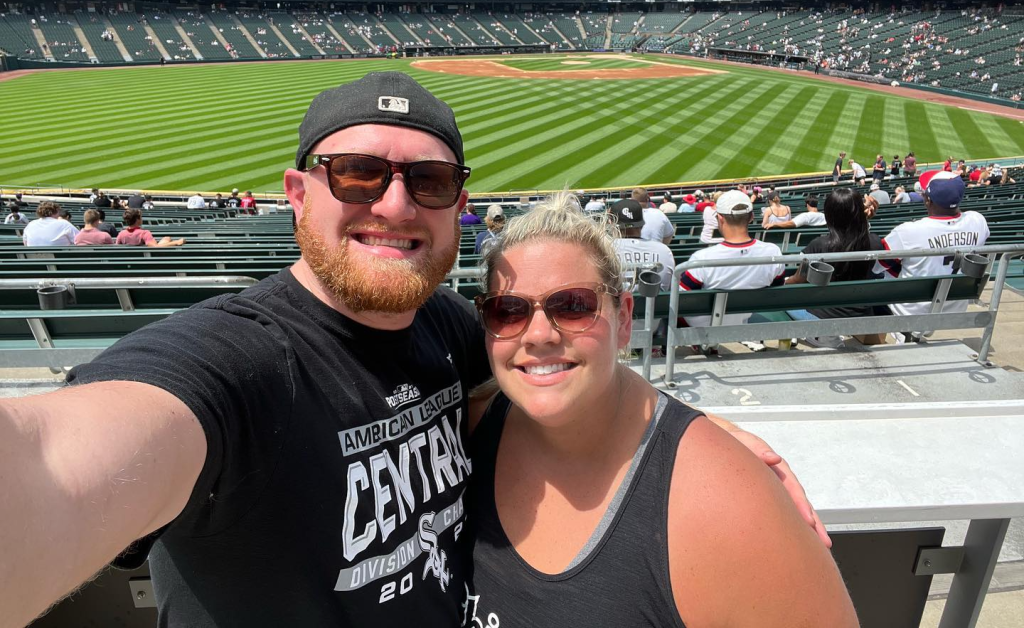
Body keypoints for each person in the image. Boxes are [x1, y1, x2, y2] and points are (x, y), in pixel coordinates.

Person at [0, 73, 817, 627]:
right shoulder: (235, 362)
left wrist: (681, 430)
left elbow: (556, 357)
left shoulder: (450, 328)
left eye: (427, 181)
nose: (393, 204)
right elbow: (52, 462)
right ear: (296, 194)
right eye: (356, 174)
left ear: (456, 204)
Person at [466, 194, 857, 628]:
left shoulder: (730, 505)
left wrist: (702, 441)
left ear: (624, 317)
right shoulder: (466, 428)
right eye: (507, 310)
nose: (538, 334)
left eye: (574, 305)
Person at [877, 171, 990, 321]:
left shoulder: (908, 231)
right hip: (955, 308)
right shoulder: (978, 221)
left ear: (927, 200)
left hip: (909, 312)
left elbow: (877, 266)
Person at [785, 188, 888, 346]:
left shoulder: (819, 245)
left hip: (823, 317)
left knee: (783, 296)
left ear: (829, 214)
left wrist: (785, 282)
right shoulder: (874, 241)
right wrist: (862, 221)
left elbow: (798, 280)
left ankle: (819, 336)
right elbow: (859, 239)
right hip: (860, 315)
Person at [680, 190, 787, 335]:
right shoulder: (773, 252)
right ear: (751, 217)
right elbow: (776, 289)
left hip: (705, 329)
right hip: (744, 320)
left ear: (720, 218)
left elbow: (680, 301)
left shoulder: (701, 258)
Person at [609, 199, 674, 292]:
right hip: (657, 306)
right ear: (643, 224)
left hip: (617, 305)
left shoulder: (603, 250)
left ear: (611, 223)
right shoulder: (664, 251)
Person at [115, 209, 186, 247]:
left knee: (167, 238)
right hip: (144, 262)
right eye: (140, 217)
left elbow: (117, 246)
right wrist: (176, 242)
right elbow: (155, 247)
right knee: (167, 238)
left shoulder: (121, 234)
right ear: (137, 219)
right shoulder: (144, 233)